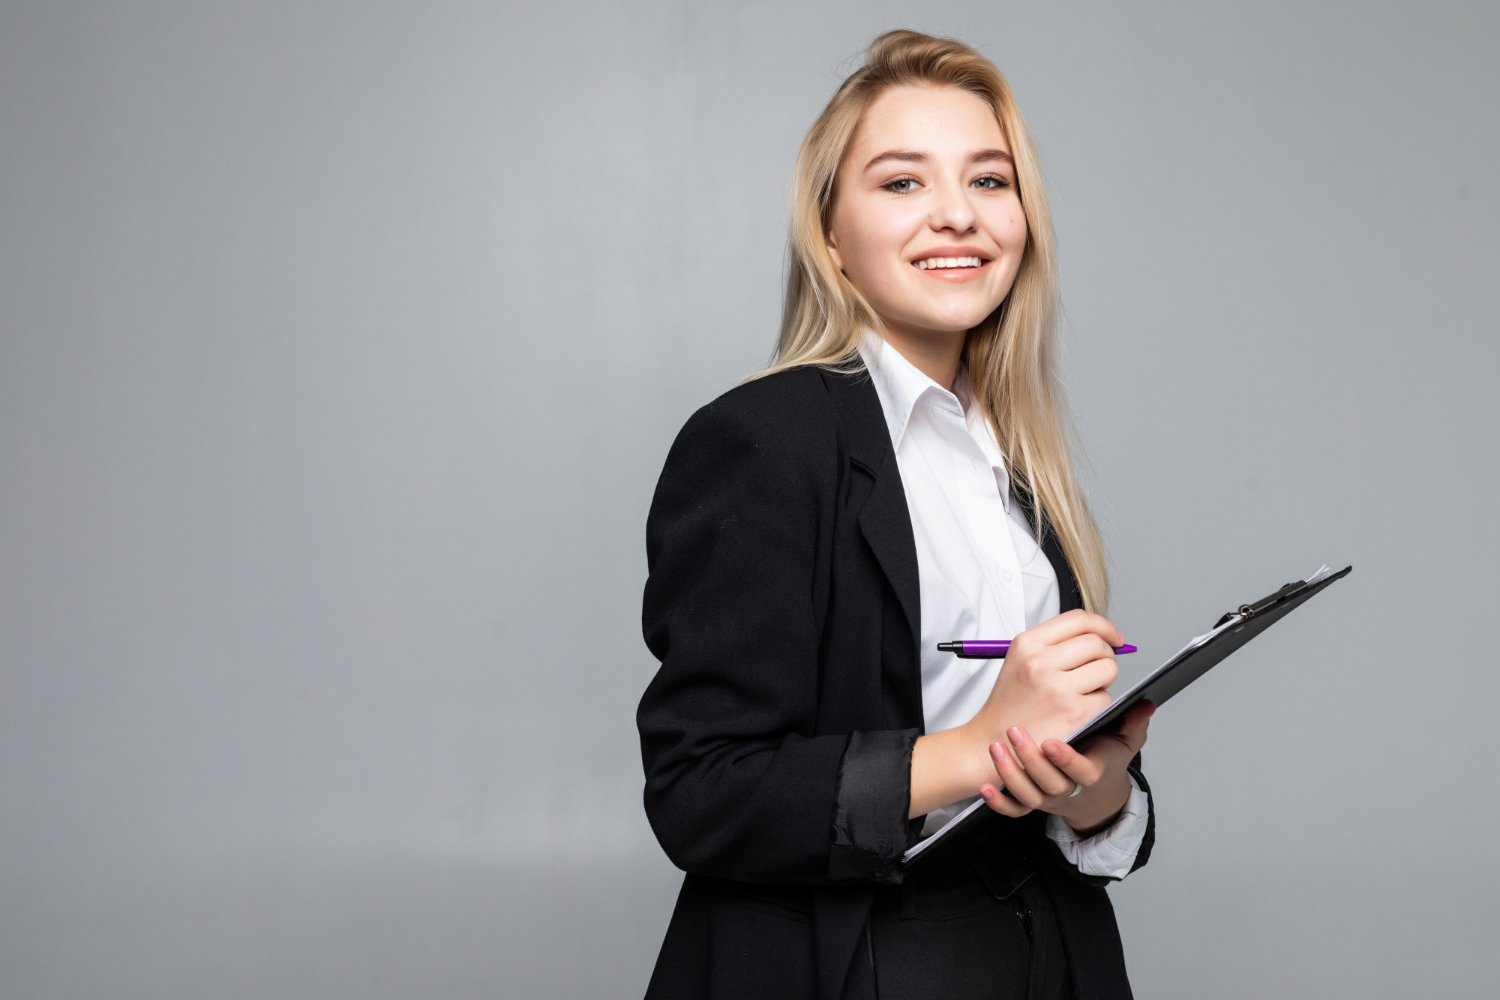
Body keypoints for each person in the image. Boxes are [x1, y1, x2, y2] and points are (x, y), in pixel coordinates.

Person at [637, 30, 1156, 1000]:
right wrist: (976, 749)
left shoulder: (1019, 458)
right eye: (902, 183)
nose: (957, 215)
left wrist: (1091, 776)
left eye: (991, 182)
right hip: (865, 962)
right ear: (830, 231)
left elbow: (1089, 824)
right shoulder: (761, 440)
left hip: (1053, 953)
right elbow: (699, 793)